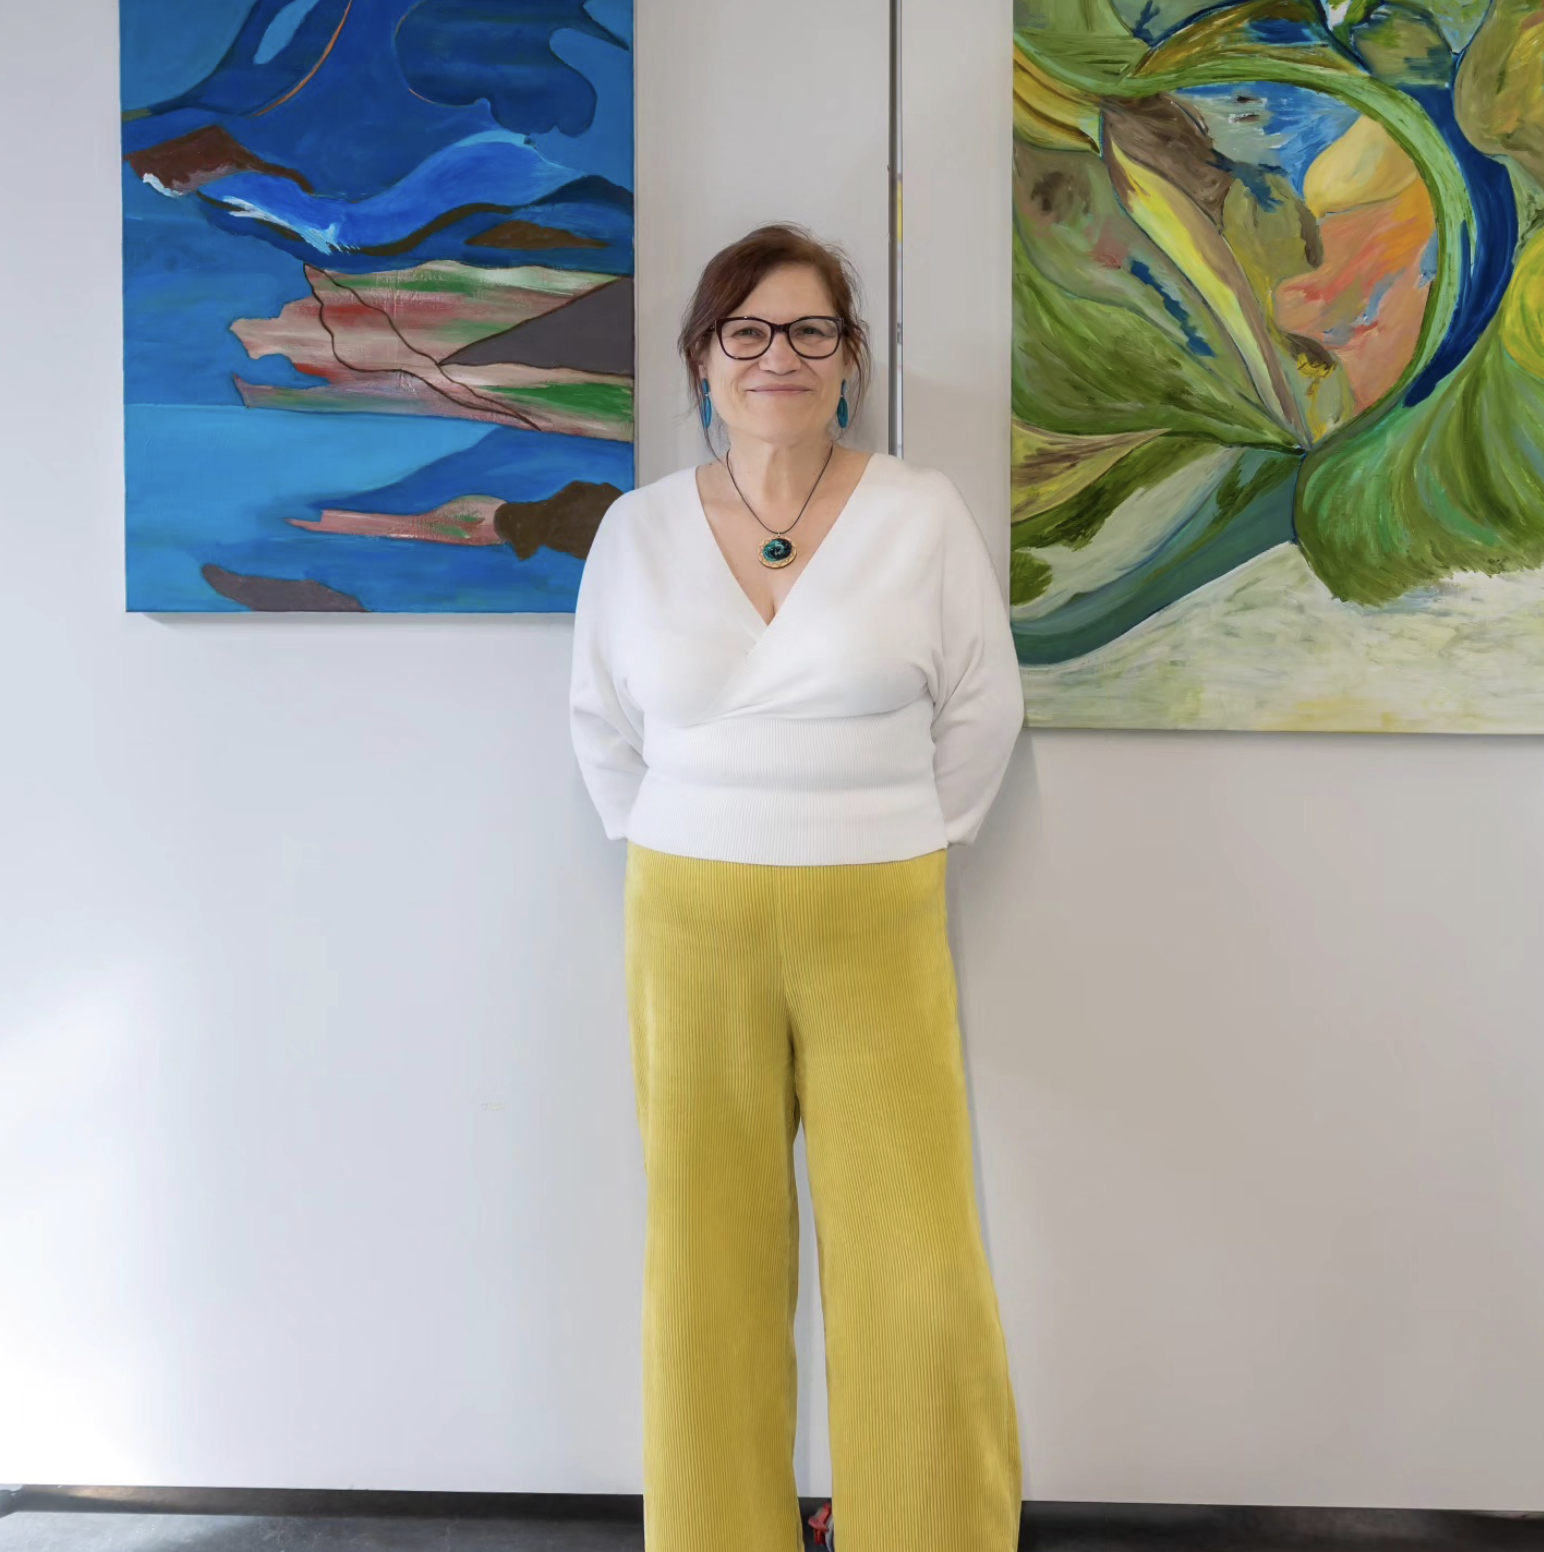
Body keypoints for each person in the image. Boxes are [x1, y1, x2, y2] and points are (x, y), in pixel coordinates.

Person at [569, 222, 1024, 1551]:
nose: (781, 355)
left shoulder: (918, 514)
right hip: (688, 915)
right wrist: (690, 828)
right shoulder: (637, 531)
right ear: (704, 361)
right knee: (707, 1256)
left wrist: (893, 834)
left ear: (850, 359)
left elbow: (982, 710)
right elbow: (600, 724)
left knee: (913, 1256)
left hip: (877, 906)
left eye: (812, 329)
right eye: (749, 331)